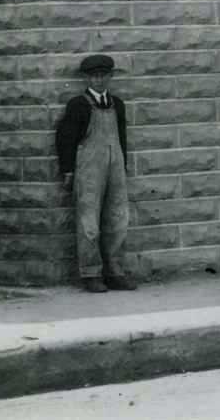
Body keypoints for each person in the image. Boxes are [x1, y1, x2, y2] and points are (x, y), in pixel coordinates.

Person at [54, 53, 136, 292]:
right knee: (89, 220)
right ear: (87, 78)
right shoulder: (78, 105)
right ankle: (91, 273)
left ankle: (115, 271)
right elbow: (65, 139)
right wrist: (68, 169)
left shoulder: (117, 104)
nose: (98, 80)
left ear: (110, 76)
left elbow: (122, 137)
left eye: (103, 75)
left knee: (118, 218)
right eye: (93, 76)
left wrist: (123, 165)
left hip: (116, 166)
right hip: (89, 168)